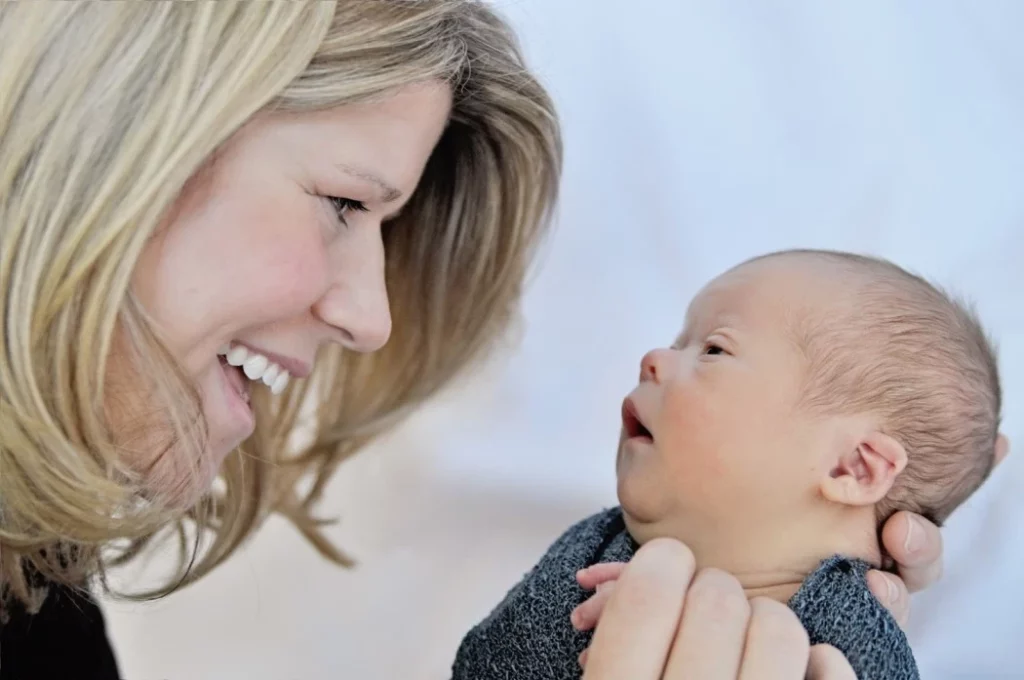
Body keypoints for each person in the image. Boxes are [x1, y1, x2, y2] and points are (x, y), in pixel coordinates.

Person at [0, 3, 949, 679]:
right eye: (342, 202)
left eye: (719, 352)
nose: (369, 319)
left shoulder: (41, 595)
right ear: (112, 134)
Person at [452, 249, 1010, 680]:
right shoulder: (594, 546)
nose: (655, 359)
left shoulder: (853, 640)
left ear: (853, 468)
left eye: (714, 351)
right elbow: (478, 664)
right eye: (679, 342)